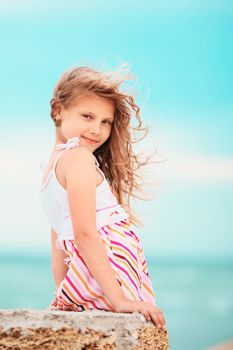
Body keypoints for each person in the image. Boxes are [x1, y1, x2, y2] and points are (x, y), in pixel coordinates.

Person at [40, 63, 166, 330]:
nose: (97, 130)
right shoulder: (78, 158)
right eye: (87, 116)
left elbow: (58, 247)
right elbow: (84, 234)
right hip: (110, 276)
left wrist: (64, 294)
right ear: (58, 110)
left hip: (91, 276)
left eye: (105, 121)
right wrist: (119, 300)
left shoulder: (50, 167)